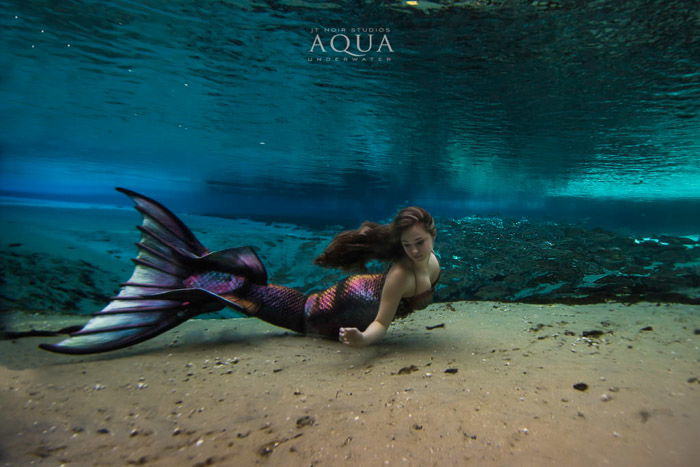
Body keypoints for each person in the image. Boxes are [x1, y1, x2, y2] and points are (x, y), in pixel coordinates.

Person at [40, 189, 440, 355]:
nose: (414, 250)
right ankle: (185, 282)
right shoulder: (401, 275)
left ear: (432, 235)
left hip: (327, 305)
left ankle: (192, 279)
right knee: (245, 296)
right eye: (407, 245)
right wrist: (361, 340)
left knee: (249, 292)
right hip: (310, 314)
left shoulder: (432, 265)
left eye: (419, 243)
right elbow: (382, 324)